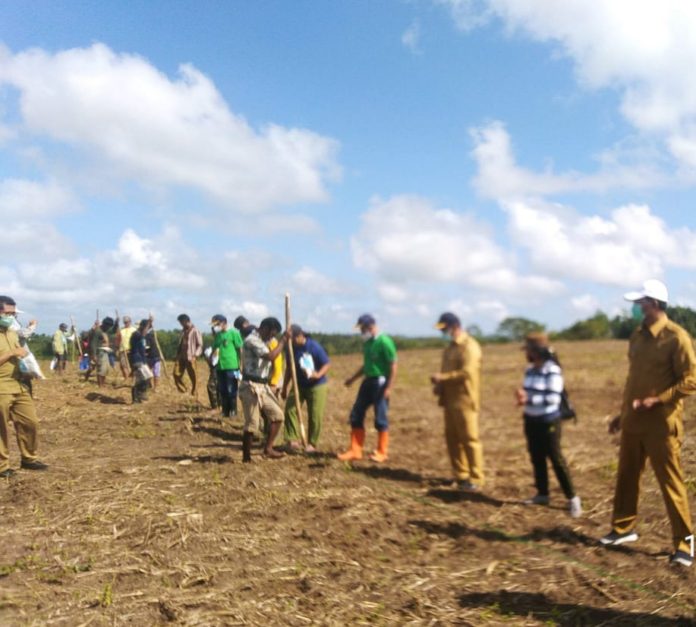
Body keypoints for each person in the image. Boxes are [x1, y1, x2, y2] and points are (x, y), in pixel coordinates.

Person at [600, 279, 696, 568]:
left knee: (671, 483)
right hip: (633, 422)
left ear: (653, 304)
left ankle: (684, 544)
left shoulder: (676, 337)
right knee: (627, 475)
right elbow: (633, 381)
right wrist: (622, 414)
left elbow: (691, 380)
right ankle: (622, 528)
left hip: (661, 424)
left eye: (640, 304)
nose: (636, 309)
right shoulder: (637, 336)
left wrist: (659, 400)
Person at [515, 332, 582, 517]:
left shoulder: (552, 370)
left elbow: (552, 398)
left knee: (556, 458)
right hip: (531, 420)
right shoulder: (529, 369)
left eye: (527, 349)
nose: (525, 353)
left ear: (536, 351)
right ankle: (542, 494)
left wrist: (528, 399)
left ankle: (573, 498)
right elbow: (529, 392)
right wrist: (523, 397)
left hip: (548, 421)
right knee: (536, 457)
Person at [430, 312, 484, 492]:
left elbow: (467, 373)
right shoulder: (449, 348)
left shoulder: (469, 347)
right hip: (449, 401)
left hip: (465, 400)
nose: (442, 332)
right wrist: (440, 386)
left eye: (444, 329)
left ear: (454, 326)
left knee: (470, 439)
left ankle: (476, 478)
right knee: (452, 439)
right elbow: (446, 371)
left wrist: (442, 378)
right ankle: (461, 476)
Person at [0, 295, 48, 477]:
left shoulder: (12, 333)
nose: (12, 317)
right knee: (1, 428)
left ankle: (29, 458)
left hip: (20, 385)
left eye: (13, 314)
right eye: (8, 313)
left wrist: (29, 368)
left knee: (30, 422)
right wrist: (12, 352)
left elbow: (21, 354)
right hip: (1, 387)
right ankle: (2, 466)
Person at [339, 314, 397, 463]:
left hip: (380, 382)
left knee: (380, 418)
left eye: (362, 329)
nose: (361, 332)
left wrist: (388, 387)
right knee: (356, 414)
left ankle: (382, 452)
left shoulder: (384, 341)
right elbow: (366, 366)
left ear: (370, 327)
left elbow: (393, 366)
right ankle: (355, 450)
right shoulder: (368, 343)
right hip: (368, 381)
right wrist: (353, 379)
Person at [239, 317, 290, 462]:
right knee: (252, 424)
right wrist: (283, 341)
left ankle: (268, 448)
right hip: (250, 386)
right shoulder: (252, 340)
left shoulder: (264, 341)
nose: (272, 337)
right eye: (272, 334)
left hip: (263, 387)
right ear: (265, 328)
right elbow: (271, 356)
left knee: (278, 415)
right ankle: (246, 458)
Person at [282, 324, 331, 453]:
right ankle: (292, 439)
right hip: (299, 384)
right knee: (289, 409)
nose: (290, 341)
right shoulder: (290, 348)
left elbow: (327, 363)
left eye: (291, 338)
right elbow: (289, 368)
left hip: (317, 385)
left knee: (315, 415)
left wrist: (318, 374)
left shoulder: (313, 347)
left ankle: (312, 443)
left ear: (300, 336)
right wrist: (284, 387)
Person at [210, 314, 243, 418]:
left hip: (232, 365)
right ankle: (225, 411)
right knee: (222, 389)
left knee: (231, 389)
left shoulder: (234, 333)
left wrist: (241, 364)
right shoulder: (218, 335)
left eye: (217, 324)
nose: (216, 327)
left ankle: (233, 410)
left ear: (224, 323)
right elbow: (214, 348)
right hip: (220, 366)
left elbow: (240, 349)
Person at [173, 314, 203, 396]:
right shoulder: (183, 331)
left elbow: (200, 345)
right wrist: (177, 354)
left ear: (186, 321)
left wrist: (195, 355)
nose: (181, 324)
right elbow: (181, 343)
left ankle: (194, 392)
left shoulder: (195, 331)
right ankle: (184, 389)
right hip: (181, 357)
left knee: (193, 376)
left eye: (181, 322)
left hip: (191, 357)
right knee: (176, 373)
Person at [85, 317, 115, 387]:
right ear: (105, 324)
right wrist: (94, 355)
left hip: (104, 351)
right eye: (108, 326)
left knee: (105, 369)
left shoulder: (104, 331)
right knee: (101, 369)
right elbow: (93, 343)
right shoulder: (98, 331)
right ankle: (100, 385)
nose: (109, 328)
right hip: (99, 352)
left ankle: (102, 383)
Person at [129, 318, 154, 403]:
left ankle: (140, 395)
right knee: (142, 378)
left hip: (142, 359)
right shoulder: (135, 334)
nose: (147, 330)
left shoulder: (141, 335)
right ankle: (137, 397)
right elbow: (142, 335)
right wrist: (149, 323)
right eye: (147, 328)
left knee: (147, 377)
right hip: (136, 360)